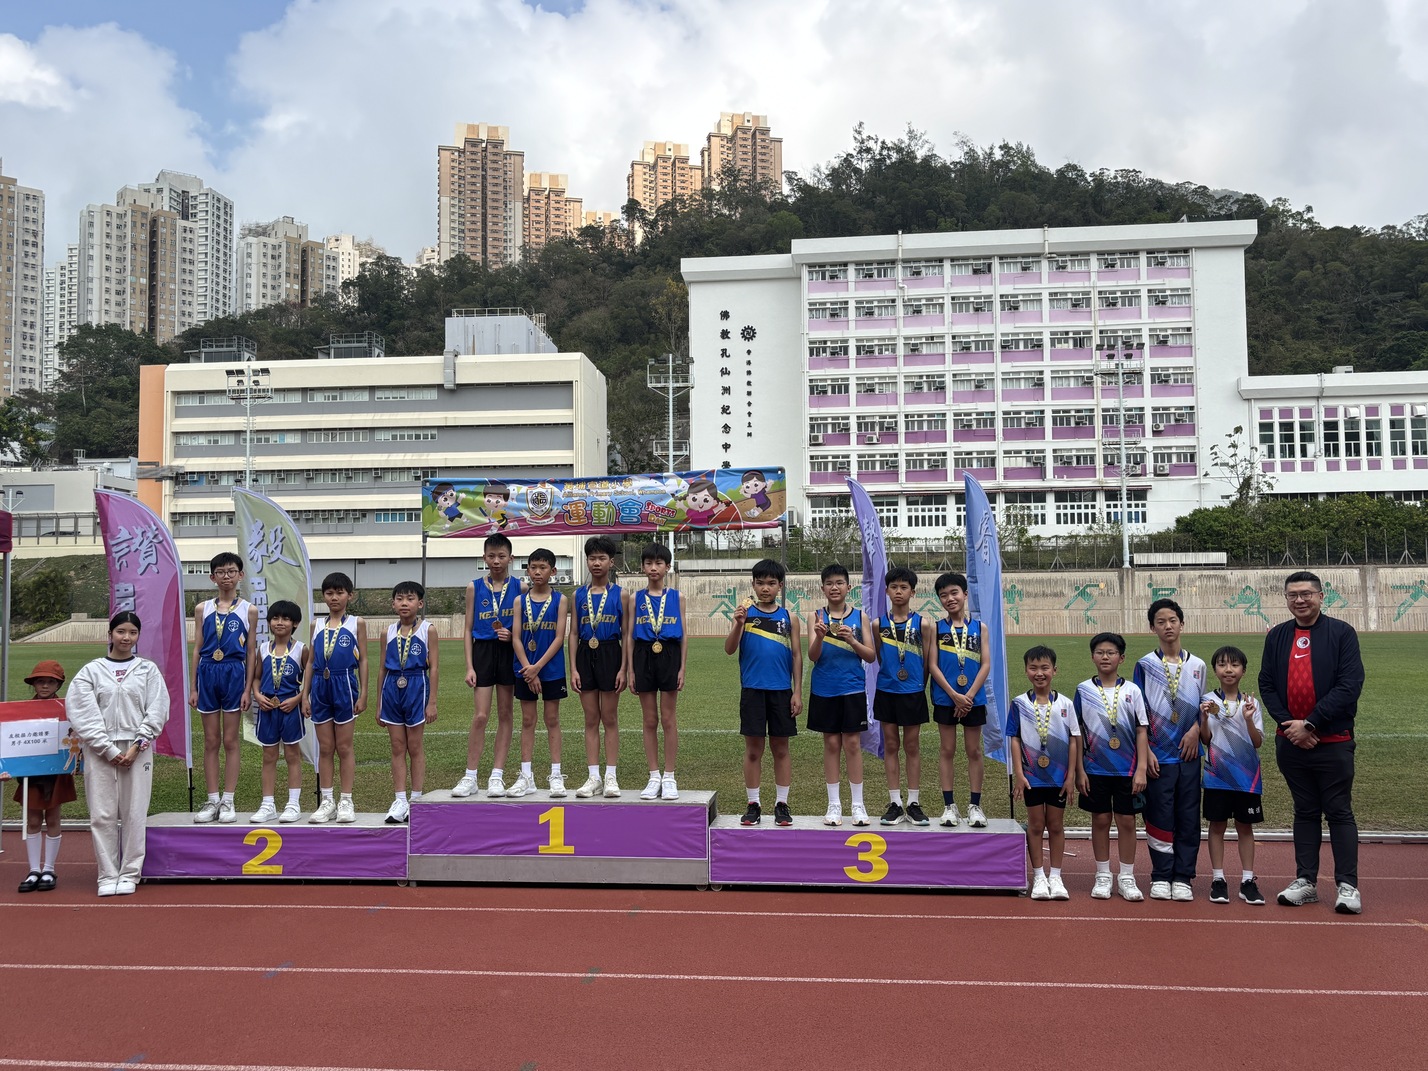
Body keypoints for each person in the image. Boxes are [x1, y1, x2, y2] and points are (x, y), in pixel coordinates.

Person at [1259, 570, 1365, 914]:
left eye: (1306, 594)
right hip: (1290, 742)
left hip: (1333, 741)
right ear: (1286, 599)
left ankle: (1347, 886)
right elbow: (1266, 684)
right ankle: (1305, 881)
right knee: (1304, 811)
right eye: (1293, 595)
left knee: (1338, 811)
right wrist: (1290, 726)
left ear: (1321, 596)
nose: (1300, 600)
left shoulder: (1341, 633)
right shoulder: (1277, 636)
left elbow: (1350, 685)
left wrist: (1311, 723)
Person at [65, 612, 170, 897]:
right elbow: (82, 714)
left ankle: (130, 872)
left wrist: (138, 745)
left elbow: (157, 709)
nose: (126, 637)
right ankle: (107, 874)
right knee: (102, 814)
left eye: (132, 632)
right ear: (110, 634)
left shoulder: (147, 670)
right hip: (99, 751)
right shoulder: (91, 671)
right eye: (121, 631)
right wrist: (107, 749)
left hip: (137, 750)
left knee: (135, 812)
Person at [1133, 598, 1208, 902]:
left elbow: (1205, 706)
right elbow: (1138, 712)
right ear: (1152, 627)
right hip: (1157, 755)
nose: (1168, 626)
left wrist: (1195, 730)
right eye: (1161, 622)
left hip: (1189, 754)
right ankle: (1162, 875)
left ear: (1182, 624)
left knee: (1188, 816)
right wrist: (1146, 752)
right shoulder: (1145, 665)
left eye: (1173, 620)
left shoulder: (1198, 665)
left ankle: (1183, 876)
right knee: (1159, 815)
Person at [725, 558, 802, 826]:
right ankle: (753, 804)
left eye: (771, 583)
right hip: (753, 691)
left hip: (782, 691)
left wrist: (797, 692)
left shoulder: (789, 617)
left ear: (780, 585)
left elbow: (797, 656)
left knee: (781, 749)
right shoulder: (744, 614)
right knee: (753, 750)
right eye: (760, 583)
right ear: (753, 585)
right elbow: (729, 649)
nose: (765, 588)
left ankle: (782, 803)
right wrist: (738, 623)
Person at [1075, 632, 1150, 902]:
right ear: (1092, 657)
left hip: (1128, 769)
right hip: (1095, 768)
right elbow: (1077, 732)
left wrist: (1141, 769)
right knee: (1100, 819)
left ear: (1122, 658)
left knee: (1127, 821)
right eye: (1100, 652)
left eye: (1111, 653)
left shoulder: (1132, 691)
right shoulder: (1083, 690)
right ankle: (1103, 874)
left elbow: (1142, 730)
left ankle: (1127, 877)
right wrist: (1079, 770)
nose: (1105, 657)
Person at [188, 551, 257, 824]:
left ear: (240, 575)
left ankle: (228, 800)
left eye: (231, 571)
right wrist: (193, 687)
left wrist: (247, 689)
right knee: (210, 740)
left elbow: (250, 652)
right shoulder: (202, 609)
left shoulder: (248, 610)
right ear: (212, 577)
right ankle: (212, 799)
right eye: (221, 572)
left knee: (230, 740)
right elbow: (197, 648)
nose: (226, 576)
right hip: (207, 671)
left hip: (233, 672)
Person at [806, 563, 876, 827]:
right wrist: (819, 637)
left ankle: (858, 805)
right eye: (829, 583)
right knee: (832, 744)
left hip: (852, 689)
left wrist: (852, 641)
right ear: (822, 588)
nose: (834, 587)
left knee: (853, 744)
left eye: (839, 583)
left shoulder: (860, 617)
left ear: (849, 587)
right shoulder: (816, 616)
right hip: (824, 689)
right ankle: (834, 804)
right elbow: (813, 656)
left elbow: (871, 655)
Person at [453, 533, 522, 798]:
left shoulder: (520, 587)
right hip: (482, 651)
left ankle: (497, 775)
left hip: (507, 652)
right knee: (481, 715)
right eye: (491, 556)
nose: (496, 561)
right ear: (484, 558)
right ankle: (470, 776)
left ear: (510, 558)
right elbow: (467, 629)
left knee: (505, 714)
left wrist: (512, 634)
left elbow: (524, 625)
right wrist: (469, 666)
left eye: (501, 556)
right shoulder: (474, 587)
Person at [1008, 645, 1079, 901]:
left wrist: (1070, 776)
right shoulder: (1019, 704)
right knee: (1036, 825)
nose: (1039, 673)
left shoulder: (1066, 704)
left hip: (1059, 778)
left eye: (1045, 668)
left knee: (1056, 825)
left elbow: (1074, 740)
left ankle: (1056, 876)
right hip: (1032, 777)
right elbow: (1015, 739)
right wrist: (1019, 773)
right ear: (1026, 671)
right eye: (1033, 668)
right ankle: (1038, 876)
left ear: (1054, 671)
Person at [1200, 645, 1266, 906]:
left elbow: (1257, 742)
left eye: (1234, 664)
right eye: (1222, 664)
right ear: (1215, 670)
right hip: (1217, 775)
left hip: (1246, 778)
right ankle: (1218, 879)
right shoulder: (1207, 700)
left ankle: (1248, 881)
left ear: (1243, 670)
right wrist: (1204, 718)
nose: (1228, 669)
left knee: (1245, 827)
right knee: (1217, 826)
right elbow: (1206, 739)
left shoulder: (1251, 703)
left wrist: (1248, 719)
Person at [301, 572, 367, 824]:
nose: (334, 598)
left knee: (344, 747)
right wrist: (305, 695)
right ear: (324, 596)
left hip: (344, 684)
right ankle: (327, 801)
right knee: (325, 747)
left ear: (350, 595)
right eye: (329, 593)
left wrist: (363, 693)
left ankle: (346, 800)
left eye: (340, 593)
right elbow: (310, 662)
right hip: (320, 685)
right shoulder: (316, 625)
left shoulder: (357, 623)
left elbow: (363, 660)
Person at [928, 571, 992, 828]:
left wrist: (969, 696)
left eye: (954, 593)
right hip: (946, 698)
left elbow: (985, 664)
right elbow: (933, 665)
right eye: (943, 595)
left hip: (973, 699)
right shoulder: (936, 629)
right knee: (947, 750)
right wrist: (954, 695)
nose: (950, 598)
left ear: (965, 594)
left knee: (974, 751)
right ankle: (949, 806)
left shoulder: (980, 628)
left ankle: (975, 806)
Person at [569, 535, 629, 798]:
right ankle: (593, 777)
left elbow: (627, 634)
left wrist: (624, 668)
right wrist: (573, 668)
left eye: (601, 558)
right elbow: (573, 633)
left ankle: (611, 777)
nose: (596, 563)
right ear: (587, 561)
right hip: (585, 653)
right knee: (591, 718)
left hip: (610, 652)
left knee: (610, 718)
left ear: (611, 562)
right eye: (592, 558)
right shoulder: (578, 595)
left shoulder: (621, 594)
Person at [875, 566, 934, 827]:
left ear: (913, 591)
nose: (898, 592)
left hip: (913, 692)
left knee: (911, 746)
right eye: (894, 587)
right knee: (890, 745)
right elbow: (881, 659)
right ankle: (895, 803)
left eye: (904, 587)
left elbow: (927, 662)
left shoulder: (923, 624)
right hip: (887, 691)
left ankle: (913, 802)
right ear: (887, 591)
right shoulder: (878, 624)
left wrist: (916, 685)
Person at [629, 543, 687, 800]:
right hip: (643, 655)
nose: (653, 568)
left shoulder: (677, 597)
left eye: (659, 563)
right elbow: (629, 636)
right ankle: (653, 776)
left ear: (667, 567)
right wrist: (631, 670)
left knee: (668, 718)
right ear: (643, 567)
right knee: (649, 719)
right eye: (649, 563)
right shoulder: (635, 599)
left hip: (669, 655)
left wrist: (682, 667)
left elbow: (684, 635)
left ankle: (670, 776)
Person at [377, 581, 439, 823]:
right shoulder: (387, 632)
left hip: (416, 686)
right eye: (400, 599)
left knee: (414, 746)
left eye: (410, 599)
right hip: (392, 687)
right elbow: (382, 669)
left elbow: (434, 668)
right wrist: (379, 703)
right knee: (396, 747)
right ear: (393, 604)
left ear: (420, 603)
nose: (404, 603)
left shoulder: (427, 630)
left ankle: (416, 799)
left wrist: (432, 702)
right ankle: (400, 799)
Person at [510, 549, 568, 797]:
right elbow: (515, 637)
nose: (537, 572)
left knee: (552, 719)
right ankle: (526, 776)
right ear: (527, 570)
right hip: (524, 669)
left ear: (552, 571)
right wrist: (529, 670)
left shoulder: (560, 600)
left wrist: (538, 668)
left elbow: (559, 638)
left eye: (542, 567)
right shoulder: (519, 601)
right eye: (533, 567)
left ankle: (556, 775)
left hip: (550, 668)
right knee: (527, 720)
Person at [13, 661, 75, 892]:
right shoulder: (22, 711)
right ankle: (33, 870)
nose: (45, 686)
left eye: (51, 681)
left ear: (59, 684)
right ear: (33, 684)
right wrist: (8, 767)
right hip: (31, 773)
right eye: (40, 681)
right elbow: (11, 741)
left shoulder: (67, 709)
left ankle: (49, 869)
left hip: (56, 773)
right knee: (33, 821)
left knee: (53, 819)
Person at [246, 601, 309, 825]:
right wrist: (257, 694)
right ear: (269, 622)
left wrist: (298, 699)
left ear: (295, 623)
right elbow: (256, 677)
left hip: (290, 708)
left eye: (285, 619)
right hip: (267, 709)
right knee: (269, 756)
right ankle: (268, 804)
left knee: (292, 755)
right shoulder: (263, 649)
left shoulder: (301, 649)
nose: (279, 622)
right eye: (275, 618)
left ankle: (293, 804)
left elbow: (310, 680)